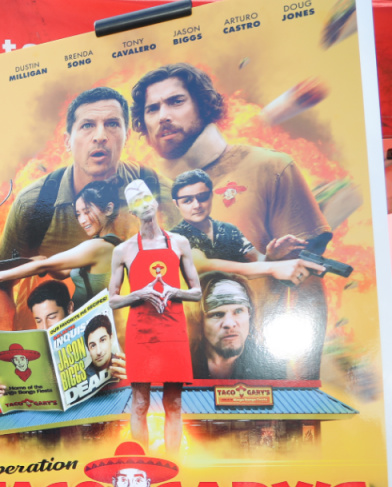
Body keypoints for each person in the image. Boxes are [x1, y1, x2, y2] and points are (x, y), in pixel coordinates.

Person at [131, 63, 331, 377]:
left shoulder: (270, 168)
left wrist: (304, 389)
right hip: (170, 380)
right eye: (152, 108)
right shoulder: (139, 194)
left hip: (257, 378)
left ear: (203, 105)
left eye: (176, 101)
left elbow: (308, 286)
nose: (163, 116)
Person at [0, 87, 174, 328]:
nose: (100, 136)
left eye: (112, 124)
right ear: (67, 141)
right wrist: (11, 347)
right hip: (47, 342)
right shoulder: (34, 203)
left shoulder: (157, 192)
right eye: (87, 125)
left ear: (126, 135)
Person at [109, 180, 202, 455]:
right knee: (140, 403)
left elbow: (197, 292)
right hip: (141, 333)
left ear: (156, 202)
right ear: (132, 212)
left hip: (173, 331)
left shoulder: (179, 243)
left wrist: (173, 291)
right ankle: (141, 464)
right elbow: (112, 300)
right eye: (137, 202)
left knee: (174, 403)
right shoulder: (123, 250)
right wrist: (140, 294)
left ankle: (173, 463)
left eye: (147, 198)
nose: (145, 205)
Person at [0, 180, 126, 311]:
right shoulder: (111, 244)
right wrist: (42, 262)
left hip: (92, 322)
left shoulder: (99, 247)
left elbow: (44, 266)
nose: (82, 221)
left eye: (87, 212)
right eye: (78, 214)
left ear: (108, 209)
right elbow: (63, 273)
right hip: (83, 321)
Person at [170, 169, 323, 284]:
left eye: (202, 197)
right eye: (187, 201)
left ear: (211, 196)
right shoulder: (174, 237)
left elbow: (256, 261)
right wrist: (273, 268)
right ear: (176, 204)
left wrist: (272, 256)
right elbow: (203, 265)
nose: (197, 205)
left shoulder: (228, 230)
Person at [0, 281, 126, 403]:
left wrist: (126, 375)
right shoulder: (32, 354)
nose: (45, 327)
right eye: (38, 320)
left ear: (69, 308)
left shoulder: (96, 337)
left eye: (51, 317)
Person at [192, 272, 286, 380]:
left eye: (238, 311)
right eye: (217, 314)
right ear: (200, 321)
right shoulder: (185, 364)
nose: (229, 324)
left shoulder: (271, 370)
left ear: (249, 314)